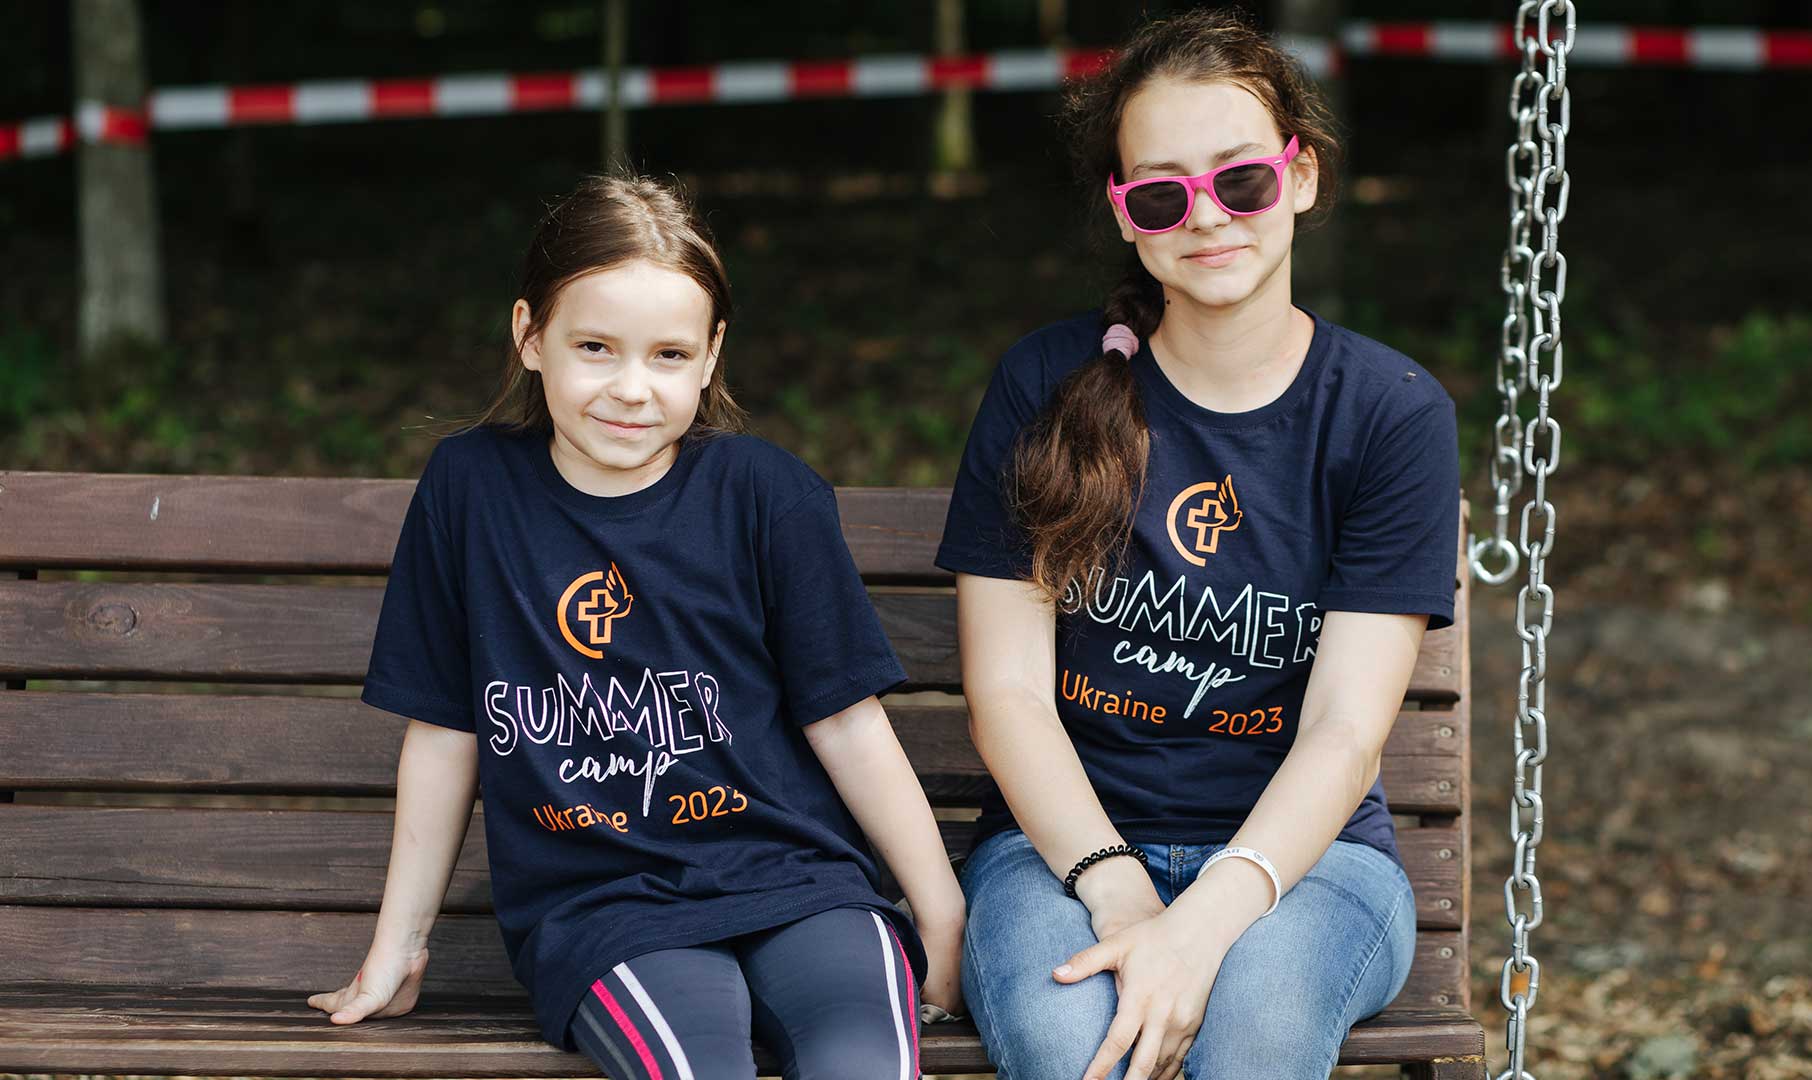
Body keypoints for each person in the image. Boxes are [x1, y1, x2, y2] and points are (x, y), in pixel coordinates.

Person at [306, 172, 965, 1080]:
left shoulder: (764, 495)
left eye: (668, 355)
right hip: (607, 906)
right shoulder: (472, 492)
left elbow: (847, 721)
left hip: (799, 883)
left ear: (711, 355)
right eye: (594, 347)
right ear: (529, 337)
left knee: (865, 1063)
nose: (631, 388)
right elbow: (446, 730)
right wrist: (398, 946)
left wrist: (941, 912)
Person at [936, 10, 1459, 1080]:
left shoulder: (1390, 414)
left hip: (1306, 864)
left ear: (1299, 178)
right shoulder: (1045, 385)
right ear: (1127, 216)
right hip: (1059, 852)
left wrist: (1203, 921)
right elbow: (1009, 695)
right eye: (1163, 193)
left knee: (1258, 1031)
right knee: (1073, 1043)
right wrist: (1120, 890)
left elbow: (1345, 731)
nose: (1208, 216)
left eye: (1243, 179)